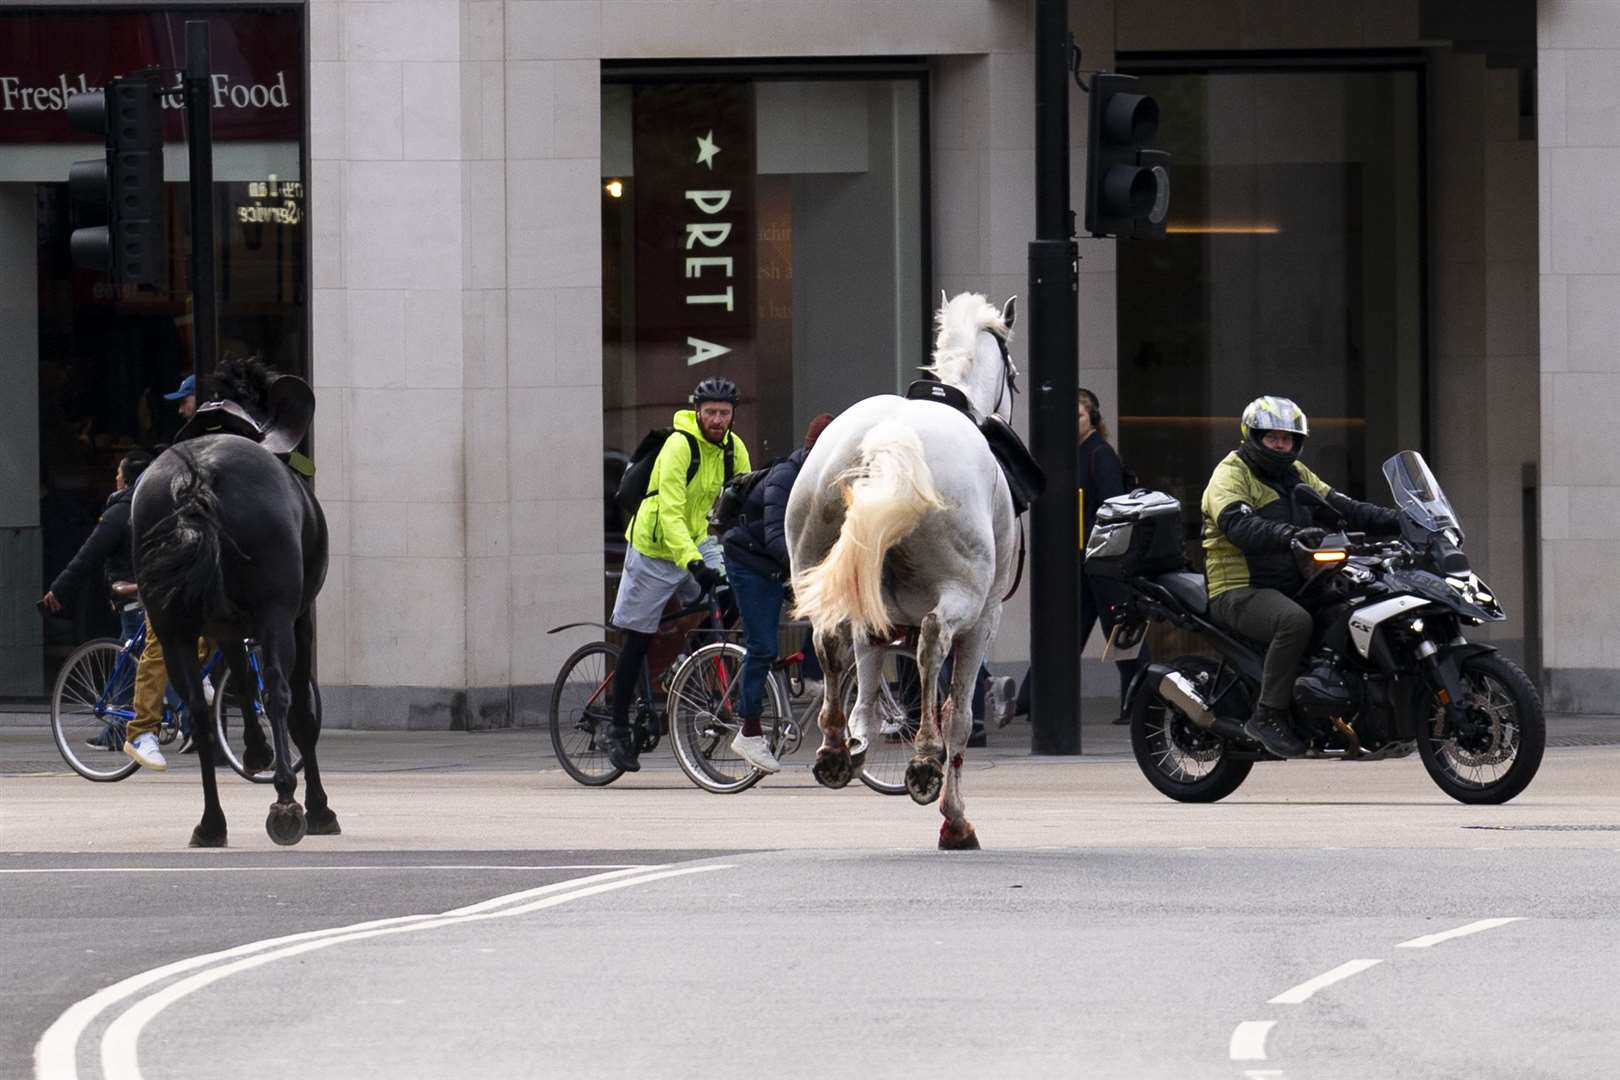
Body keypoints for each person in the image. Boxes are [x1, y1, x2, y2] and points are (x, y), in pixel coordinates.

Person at [1201, 396, 1402, 757]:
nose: (1281, 445)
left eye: (1288, 438)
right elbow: (1237, 523)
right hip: (1239, 588)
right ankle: (1268, 714)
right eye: (1272, 437)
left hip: (1292, 583)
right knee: (1293, 622)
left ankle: (1342, 712)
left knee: (1349, 607)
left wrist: (1402, 520)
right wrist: (1287, 535)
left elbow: (1341, 506)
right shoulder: (1231, 473)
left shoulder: (1296, 475)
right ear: (1253, 436)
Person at [607, 376, 751, 772]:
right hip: (655, 546)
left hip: (699, 539)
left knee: (732, 593)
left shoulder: (733, 450)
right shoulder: (678, 445)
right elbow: (669, 513)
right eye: (711, 413)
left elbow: (742, 507)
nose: (718, 420)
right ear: (698, 412)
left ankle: (692, 657)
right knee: (636, 638)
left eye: (724, 413)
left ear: (733, 415)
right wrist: (692, 563)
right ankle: (617, 727)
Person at [1014, 388, 1147, 722]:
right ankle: (1032, 699)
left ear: (1093, 419)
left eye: (1078, 416)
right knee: (1065, 631)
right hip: (1080, 560)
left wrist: (1103, 552)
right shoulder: (1069, 455)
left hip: (1102, 561)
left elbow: (1113, 506)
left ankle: (1141, 702)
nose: (1071, 423)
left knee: (1121, 632)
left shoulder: (1099, 455)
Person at [720, 414, 834, 773]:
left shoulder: (828, 481)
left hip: (781, 564)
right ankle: (748, 731)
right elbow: (775, 538)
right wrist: (813, 574)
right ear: (812, 448)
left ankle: (813, 674)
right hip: (751, 562)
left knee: (834, 613)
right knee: (763, 647)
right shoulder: (787, 477)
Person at [39, 452, 152, 749]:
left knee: (137, 664)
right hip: (153, 594)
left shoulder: (119, 512)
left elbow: (87, 556)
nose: (114, 477)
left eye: (118, 472)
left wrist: (59, 589)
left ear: (126, 479)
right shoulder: (157, 508)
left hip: (134, 600)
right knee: (136, 661)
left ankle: (124, 729)